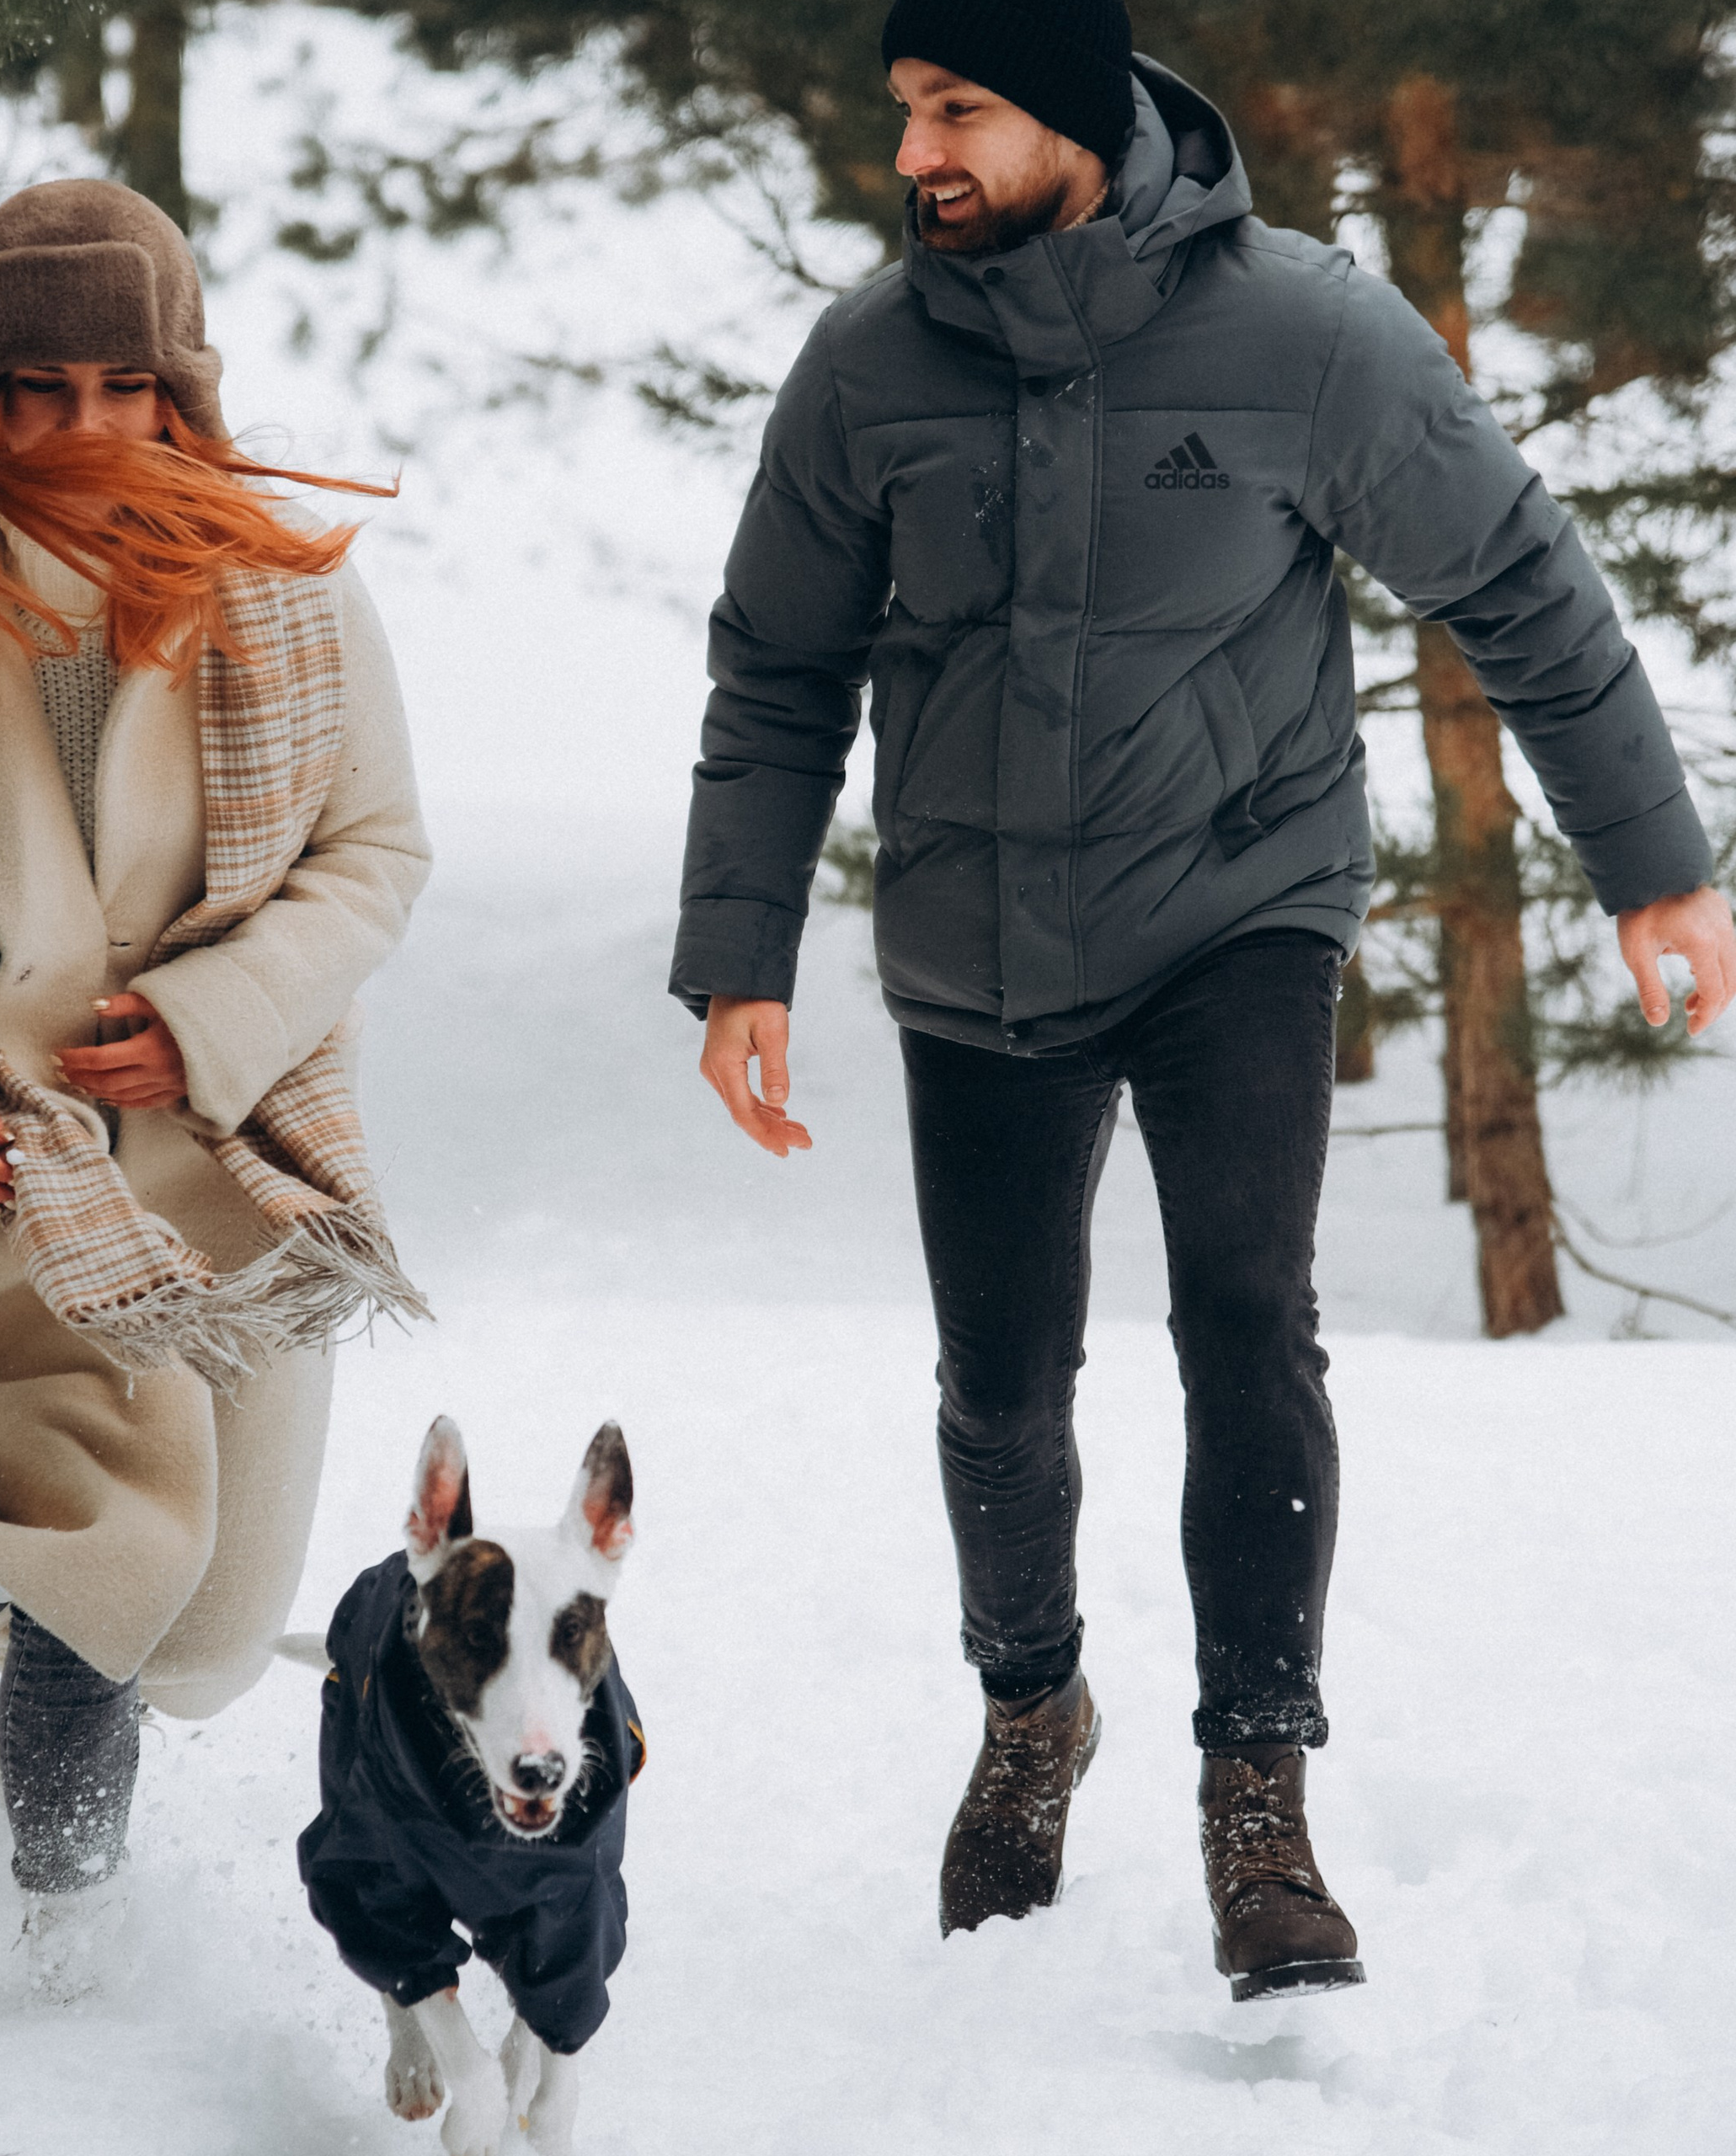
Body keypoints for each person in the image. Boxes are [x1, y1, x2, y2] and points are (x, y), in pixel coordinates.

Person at [670, 0, 1735, 1999]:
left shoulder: (1303, 334)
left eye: (954, 108)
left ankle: (1259, 1791)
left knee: (1246, 1321)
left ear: (1070, 115)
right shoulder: (866, 363)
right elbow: (777, 666)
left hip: (1238, 907)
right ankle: (1030, 1706)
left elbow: (1510, 576)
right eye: (902, 110)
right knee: (1000, 1381)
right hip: (978, 939)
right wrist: (738, 952)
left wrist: (1650, 862)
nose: (912, 155)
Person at [0, 179, 430, 1994]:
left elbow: (374, 852)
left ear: (178, 389)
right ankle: (62, 1945)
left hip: (231, 1151)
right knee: (113, 1566)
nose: (79, 427)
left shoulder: (291, 592)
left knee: (211, 1628)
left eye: (121, 385)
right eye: (33, 390)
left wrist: (216, 1013)